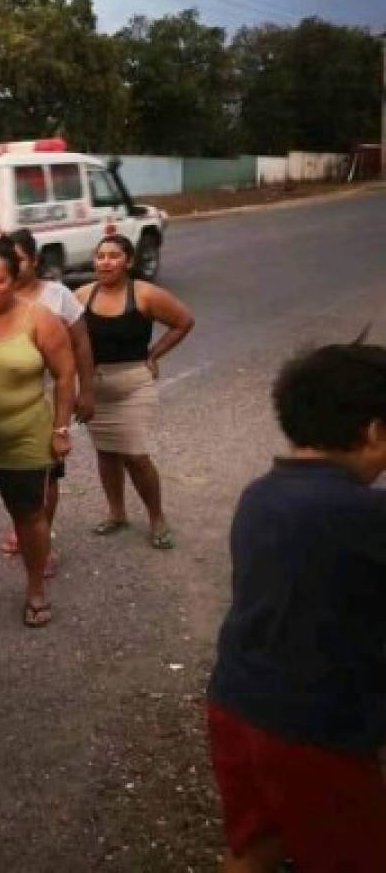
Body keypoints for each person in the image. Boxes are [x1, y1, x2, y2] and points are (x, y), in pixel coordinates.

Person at [207, 342, 386, 873]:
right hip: (315, 730)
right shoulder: (360, 514)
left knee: (257, 845)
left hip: (236, 702)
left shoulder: (262, 494)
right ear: (374, 431)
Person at [0, 239, 76, 628]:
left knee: (29, 517)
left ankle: (36, 589)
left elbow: (65, 374)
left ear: (15, 279)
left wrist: (60, 429)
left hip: (25, 440)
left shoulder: (39, 318)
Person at [74, 235, 194, 549]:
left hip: (133, 386)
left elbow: (183, 321)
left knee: (136, 455)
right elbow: (63, 337)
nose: (105, 262)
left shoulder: (145, 295)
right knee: (106, 453)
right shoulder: (81, 296)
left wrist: (153, 355)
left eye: (114, 256)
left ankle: (157, 517)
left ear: (128, 261)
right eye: (100, 256)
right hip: (95, 388)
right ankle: (117, 513)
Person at [0, 228, 96, 568]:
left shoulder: (57, 295)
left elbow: (81, 344)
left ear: (34, 261)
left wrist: (86, 391)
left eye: (18, 260)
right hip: (7, 405)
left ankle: (40, 540)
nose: (11, 266)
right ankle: (23, 529)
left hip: (49, 399)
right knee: (14, 474)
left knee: (47, 472)